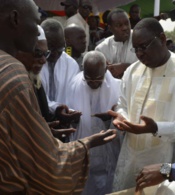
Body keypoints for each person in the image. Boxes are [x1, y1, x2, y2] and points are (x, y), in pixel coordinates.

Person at [0, 0, 117, 194]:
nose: (38, 32)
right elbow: (48, 166)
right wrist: (87, 143)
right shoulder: (12, 73)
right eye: (36, 22)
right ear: (14, 19)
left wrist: (40, 131)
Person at [108, 17, 175, 192]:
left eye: (144, 46)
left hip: (169, 169)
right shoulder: (132, 71)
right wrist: (123, 118)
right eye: (136, 49)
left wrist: (156, 128)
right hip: (130, 162)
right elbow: (122, 105)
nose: (140, 54)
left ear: (163, 39)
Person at [68, 50, 122, 195]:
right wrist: (72, 118)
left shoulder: (118, 87)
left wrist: (109, 120)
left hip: (108, 152)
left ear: (105, 70)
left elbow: (123, 116)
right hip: (86, 148)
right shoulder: (74, 84)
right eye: (88, 79)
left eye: (97, 79)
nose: (93, 83)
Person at [16, 25, 78, 141]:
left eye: (46, 53)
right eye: (38, 53)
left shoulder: (34, 78)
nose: (44, 60)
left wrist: (59, 113)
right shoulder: (15, 80)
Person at [40, 19, 81, 118]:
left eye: (60, 49)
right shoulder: (34, 63)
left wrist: (69, 111)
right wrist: (56, 109)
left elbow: (74, 96)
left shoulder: (71, 64)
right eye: (51, 49)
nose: (55, 54)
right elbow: (37, 98)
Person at [95, 8, 138, 79]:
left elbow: (149, 67)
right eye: (119, 25)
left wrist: (126, 67)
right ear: (110, 28)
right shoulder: (101, 49)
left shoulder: (140, 39)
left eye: (127, 23)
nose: (124, 28)